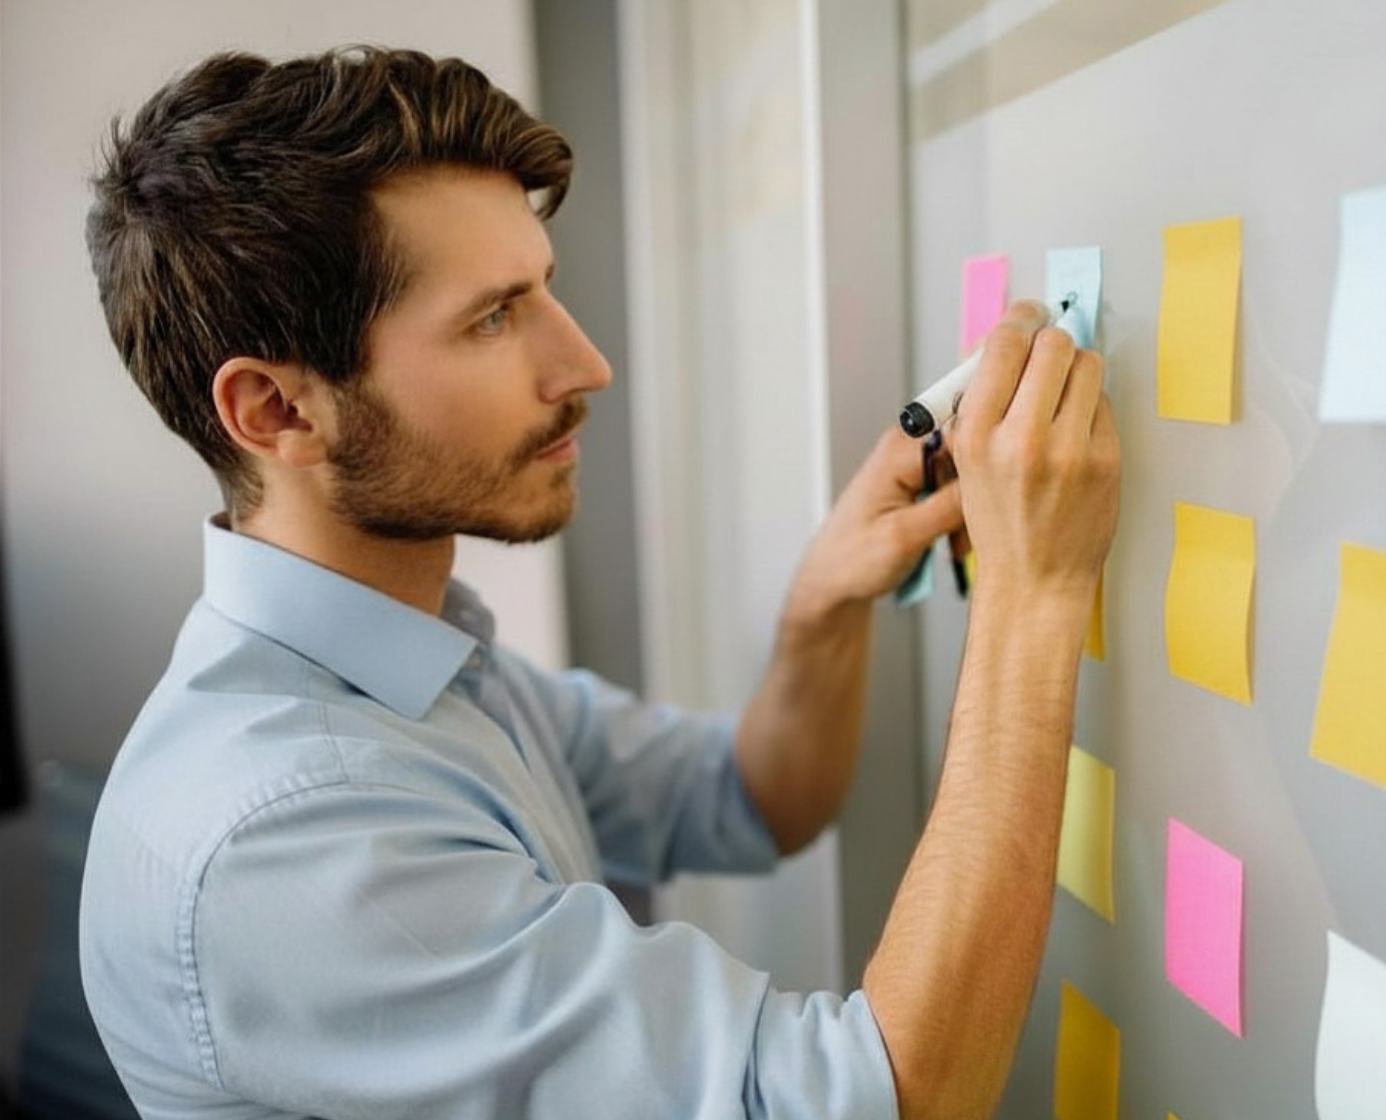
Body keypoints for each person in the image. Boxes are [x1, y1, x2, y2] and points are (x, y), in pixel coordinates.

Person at [78, 46, 1118, 1120]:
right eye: (491, 317)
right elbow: (881, 1102)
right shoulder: (289, 838)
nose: (585, 364)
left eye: (546, 288)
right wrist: (1036, 596)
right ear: (278, 411)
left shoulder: (423, 663)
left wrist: (824, 604)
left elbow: (752, 799)